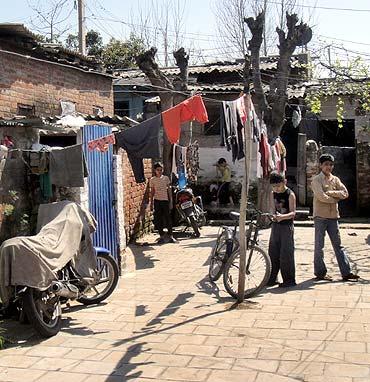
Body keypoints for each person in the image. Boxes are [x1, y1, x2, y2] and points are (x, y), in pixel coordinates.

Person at [311, 153, 359, 281]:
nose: (329, 167)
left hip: (333, 217)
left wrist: (332, 193)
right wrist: (335, 199)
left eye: (331, 164)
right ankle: (320, 273)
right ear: (321, 165)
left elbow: (345, 193)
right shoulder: (316, 180)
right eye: (326, 164)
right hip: (320, 217)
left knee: (338, 246)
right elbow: (321, 196)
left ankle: (346, 272)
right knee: (319, 246)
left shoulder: (335, 179)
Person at [267, 172, 297, 288]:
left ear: (284, 182)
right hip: (275, 225)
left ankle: (289, 280)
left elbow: (293, 213)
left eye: (278, 186)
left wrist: (282, 217)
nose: (276, 189)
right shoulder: (272, 193)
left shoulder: (290, 194)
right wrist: (272, 215)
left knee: (286, 253)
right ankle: (271, 278)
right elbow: (272, 208)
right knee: (273, 252)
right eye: (274, 186)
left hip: (287, 226)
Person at [149, 162, 177, 244]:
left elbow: (169, 190)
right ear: (155, 170)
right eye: (158, 170)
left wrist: (171, 201)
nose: (160, 171)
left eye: (161, 170)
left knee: (168, 218)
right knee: (158, 219)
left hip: (165, 200)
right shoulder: (152, 180)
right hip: (157, 201)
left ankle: (171, 235)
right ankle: (161, 236)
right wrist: (151, 203)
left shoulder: (166, 178)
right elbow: (152, 192)